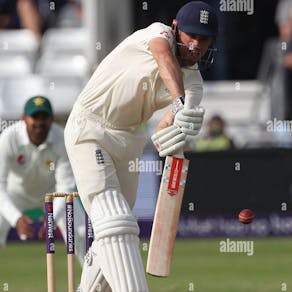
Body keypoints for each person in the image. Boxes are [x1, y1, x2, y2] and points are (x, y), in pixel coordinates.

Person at [64, 1, 218, 291]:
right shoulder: (157, 34)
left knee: (112, 234)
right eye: (191, 35)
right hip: (90, 127)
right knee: (116, 221)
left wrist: (175, 136)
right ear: (176, 29)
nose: (196, 44)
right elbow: (163, 57)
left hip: (130, 143)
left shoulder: (195, 85)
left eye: (204, 38)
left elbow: (164, 131)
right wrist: (180, 103)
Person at [0, 95, 86, 264]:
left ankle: (95, 287)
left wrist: (52, 217)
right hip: (15, 195)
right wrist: (16, 218)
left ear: (51, 119)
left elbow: (66, 186)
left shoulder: (62, 138)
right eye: (35, 117)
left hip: (53, 196)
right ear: (24, 119)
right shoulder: (9, 138)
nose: (39, 123)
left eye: (44, 117)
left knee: (81, 232)